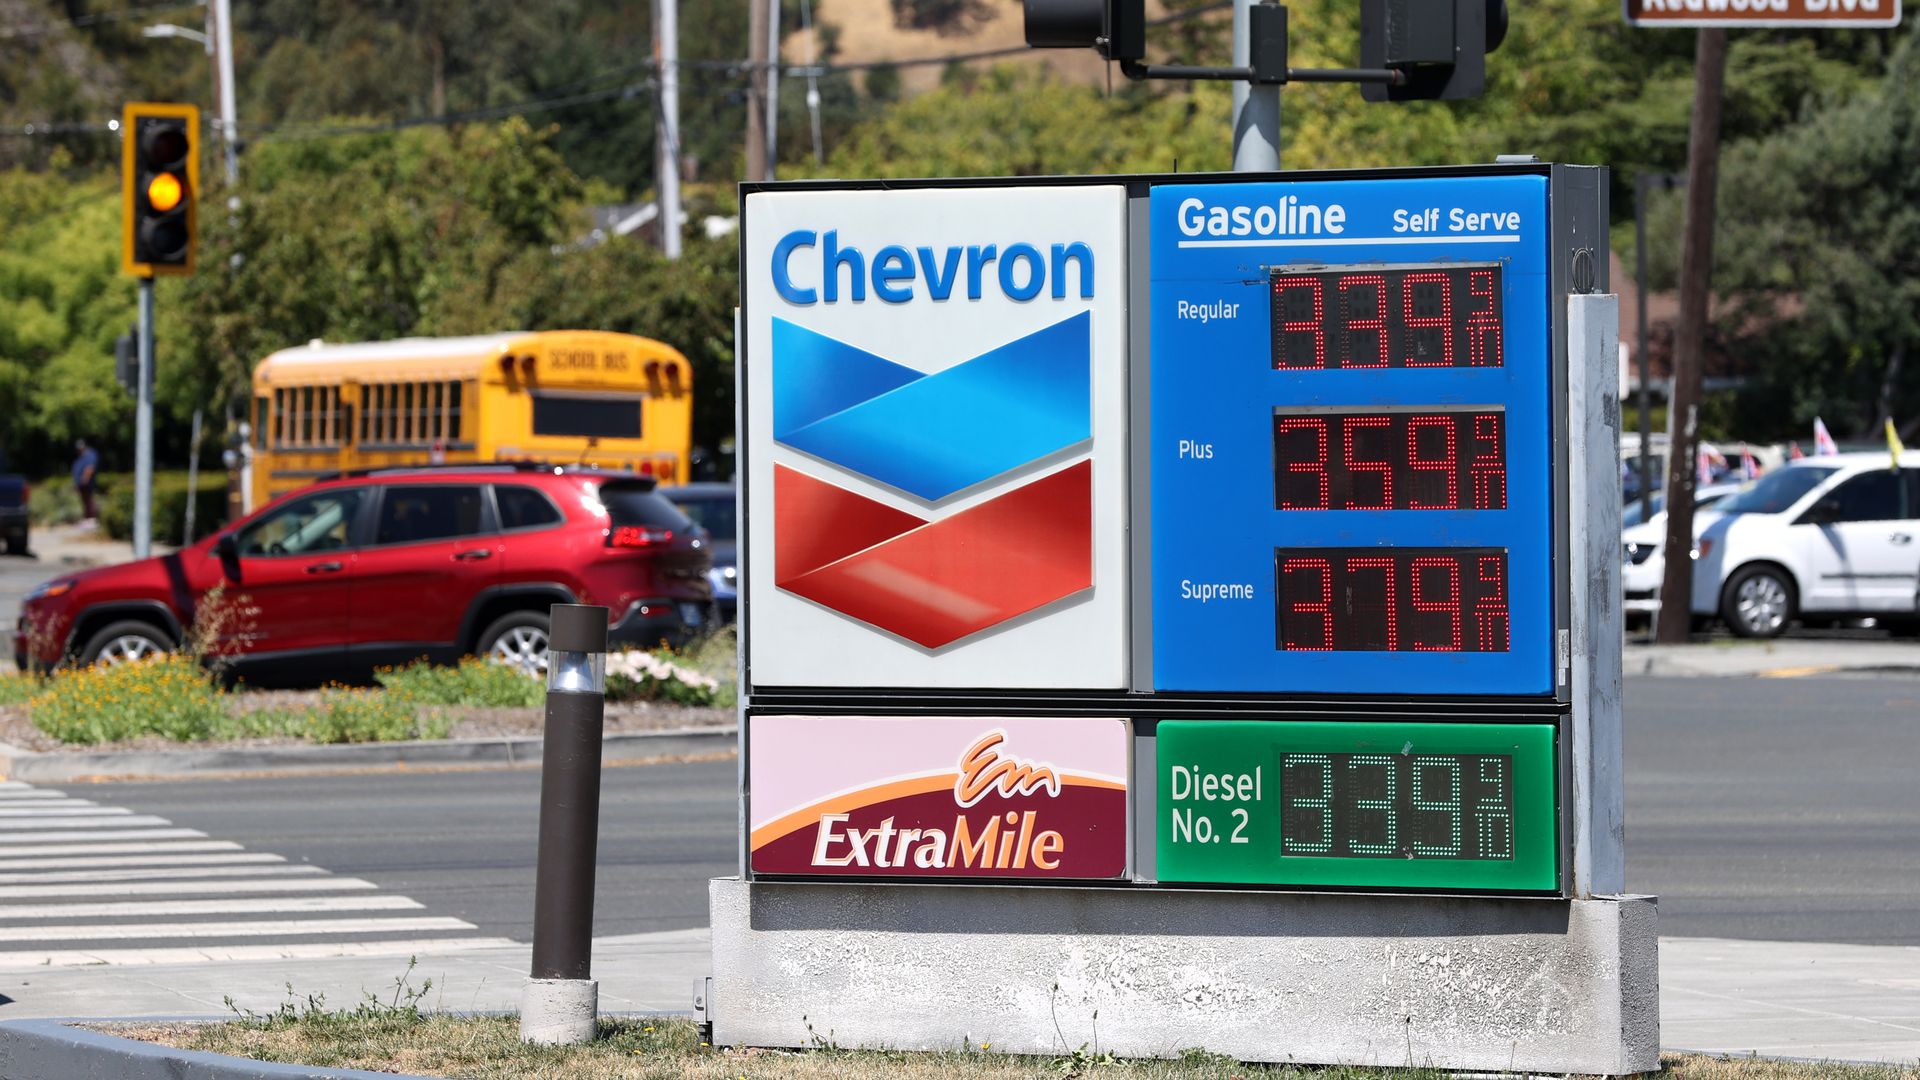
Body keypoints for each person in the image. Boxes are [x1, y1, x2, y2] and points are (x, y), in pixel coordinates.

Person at [72, 439, 98, 525]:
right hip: (81, 484)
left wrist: (85, 479)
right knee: (84, 501)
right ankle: (87, 519)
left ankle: (92, 519)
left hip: (87, 483)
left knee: (89, 500)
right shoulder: (81, 456)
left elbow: (90, 468)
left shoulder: (90, 455)